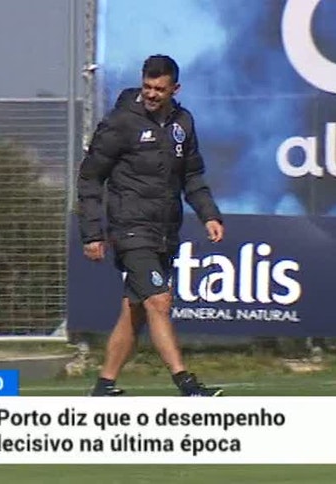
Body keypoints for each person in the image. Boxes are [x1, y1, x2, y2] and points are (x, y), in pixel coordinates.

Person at [76, 54, 225, 397]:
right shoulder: (120, 122)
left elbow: (192, 176)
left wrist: (210, 215)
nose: (152, 94)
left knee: (136, 309)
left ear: (175, 89)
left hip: (165, 231)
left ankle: (104, 386)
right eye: (147, 87)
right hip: (130, 228)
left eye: (160, 89)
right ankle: (187, 386)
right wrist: (92, 232)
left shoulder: (182, 123)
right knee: (159, 300)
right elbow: (90, 178)